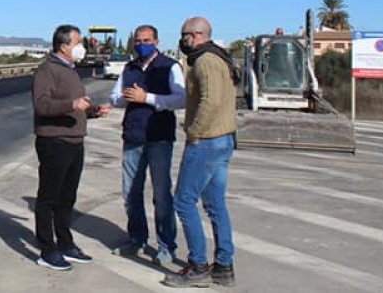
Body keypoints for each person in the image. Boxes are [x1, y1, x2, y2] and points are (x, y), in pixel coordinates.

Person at [163, 16, 237, 288]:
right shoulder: (219, 58)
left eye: (184, 35)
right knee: (215, 204)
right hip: (222, 139)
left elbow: (211, 101)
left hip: (207, 141)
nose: (182, 40)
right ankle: (224, 266)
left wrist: (194, 131)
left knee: (183, 201)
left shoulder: (205, 61)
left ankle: (199, 266)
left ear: (196, 35)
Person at [32, 24, 112, 271]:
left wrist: (93, 112)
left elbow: (77, 106)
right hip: (55, 142)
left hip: (75, 142)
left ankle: (66, 244)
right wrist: (71, 104)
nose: (82, 48)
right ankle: (47, 250)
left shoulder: (71, 70)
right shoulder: (47, 70)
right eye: (78, 43)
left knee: (67, 198)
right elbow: (42, 105)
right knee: (49, 198)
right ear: (64, 45)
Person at [108, 24, 186, 265]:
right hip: (133, 137)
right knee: (131, 193)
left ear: (157, 41)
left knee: (162, 194)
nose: (142, 44)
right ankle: (136, 238)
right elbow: (114, 97)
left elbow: (181, 98)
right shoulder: (129, 68)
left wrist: (148, 98)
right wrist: (125, 98)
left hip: (159, 138)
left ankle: (166, 245)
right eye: (139, 41)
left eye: (147, 40)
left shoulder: (169, 67)